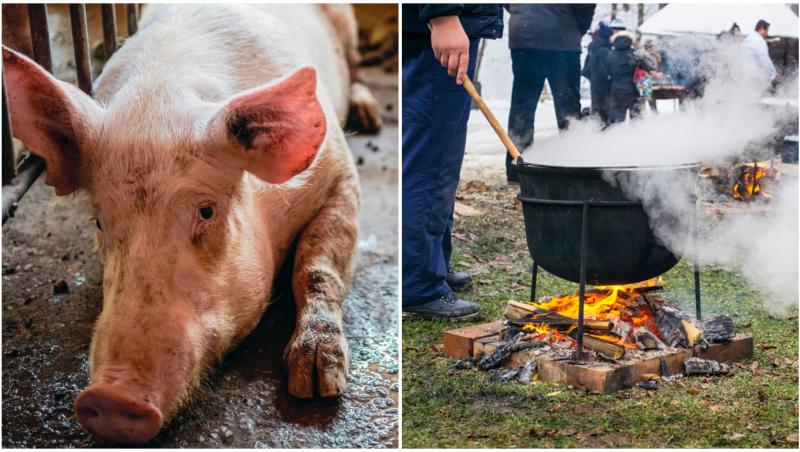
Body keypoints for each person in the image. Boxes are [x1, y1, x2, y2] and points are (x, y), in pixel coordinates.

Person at [402, 4, 503, 321]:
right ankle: (420, 285)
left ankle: (434, 266)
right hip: (441, 27)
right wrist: (443, 15)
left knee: (441, 159)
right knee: (429, 163)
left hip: (447, 24)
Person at [505, 3, 596, 183]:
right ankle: (573, 165)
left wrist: (523, 13)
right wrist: (577, 28)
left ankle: (516, 169)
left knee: (522, 105)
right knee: (567, 106)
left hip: (524, 34)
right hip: (562, 36)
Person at [603, 31, 653, 124]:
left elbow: (606, 73)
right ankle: (634, 138)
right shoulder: (635, 55)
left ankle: (618, 137)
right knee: (636, 120)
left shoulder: (610, 55)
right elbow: (647, 70)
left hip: (616, 91)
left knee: (618, 122)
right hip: (633, 91)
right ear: (630, 41)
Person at [583, 21, 613, 124]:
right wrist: (609, 77)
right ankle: (603, 127)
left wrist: (592, 77)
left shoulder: (593, 47)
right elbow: (604, 67)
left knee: (596, 104)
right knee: (605, 105)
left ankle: (595, 127)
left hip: (594, 81)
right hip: (603, 82)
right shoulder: (605, 49)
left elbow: (586, 67)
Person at [742, 19, 779, 84]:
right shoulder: (758, 40)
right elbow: (765, 60)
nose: (767, 34)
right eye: (767, 31)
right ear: (761, 28)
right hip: (754, 79)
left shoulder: (748, 39)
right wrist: (774, 75)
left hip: (743, 77)